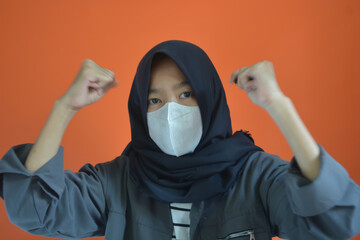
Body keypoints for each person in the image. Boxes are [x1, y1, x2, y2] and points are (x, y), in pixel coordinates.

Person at [0, 40, 359, 240]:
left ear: (210, 98)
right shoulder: (116, 182)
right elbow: (34, 209)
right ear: (140, 110)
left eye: (186, 95)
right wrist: (65, 107)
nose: (170, 111)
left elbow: (337, 218)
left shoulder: (255, 176)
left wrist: (279, 106)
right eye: (154, 100)